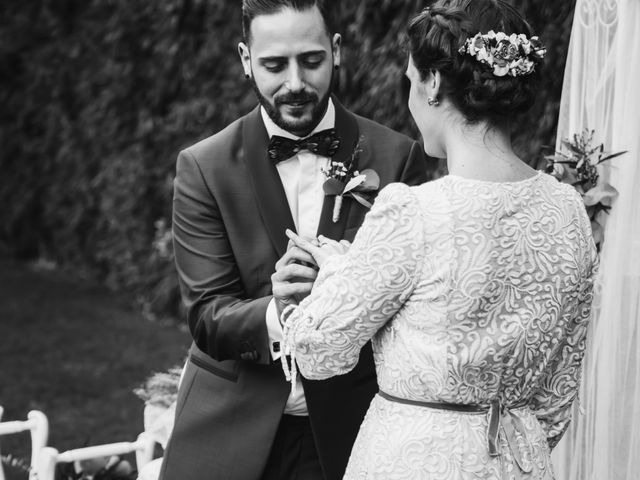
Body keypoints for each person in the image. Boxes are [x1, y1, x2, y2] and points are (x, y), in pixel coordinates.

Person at [282, 0, 599, 478]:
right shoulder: (569, 212)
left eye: (410, 80)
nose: (410, 96)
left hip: (414, 459)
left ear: (432, 83)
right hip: (518, 460)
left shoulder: (413, 211)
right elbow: (556, 401)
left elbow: (316, 347)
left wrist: (338, 274)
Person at [158, 1, 427, 479]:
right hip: (233, 431)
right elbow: (207, 315)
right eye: (274, 65)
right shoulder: (204, 166)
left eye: (311, 59)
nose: (296, 83)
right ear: (246, 60)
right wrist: (277, 312)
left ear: (336, 51)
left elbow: (415, 309)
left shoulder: (397, 158)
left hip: (352, 431)